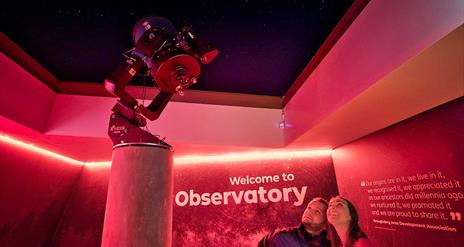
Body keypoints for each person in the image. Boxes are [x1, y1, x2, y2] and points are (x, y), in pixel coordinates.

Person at [258, 197, 331, 247]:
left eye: (317, 212)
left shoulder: (328, 245)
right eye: (309, 208)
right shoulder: (282, 237)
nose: (309, 212)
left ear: (325, 220)